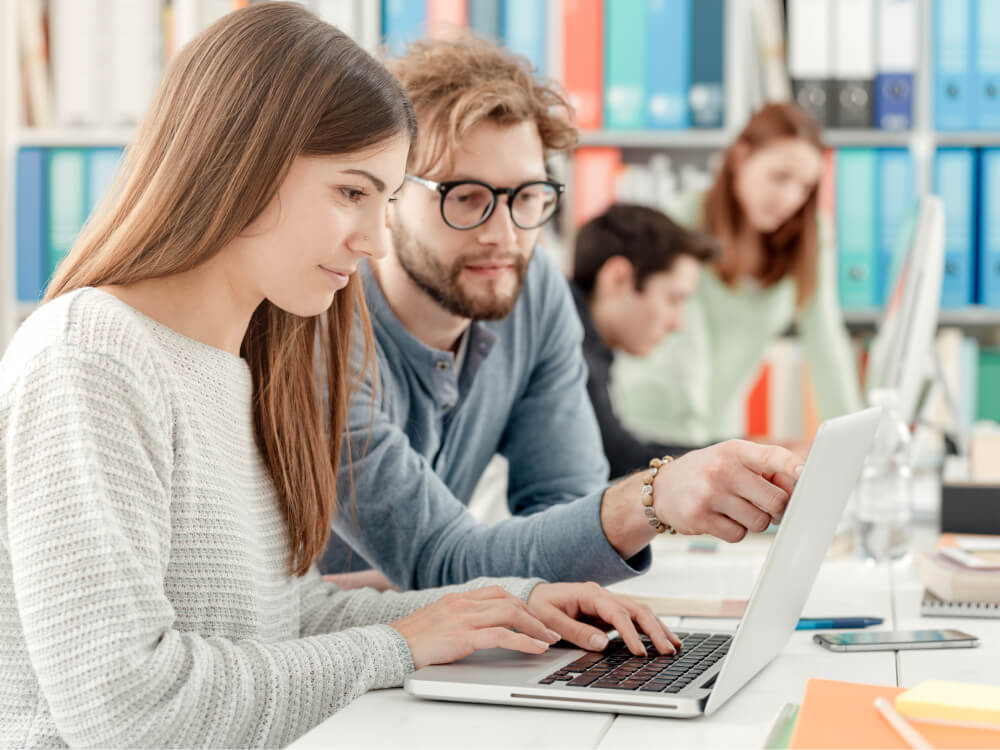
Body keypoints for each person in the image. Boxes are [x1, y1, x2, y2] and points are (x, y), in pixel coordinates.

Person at [0, 7, 680, 747]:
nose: (376, 239)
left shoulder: (244, 363)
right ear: (241, 166)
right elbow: (126, 709)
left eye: (385, 201)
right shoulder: (93, 356)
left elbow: (289, 617)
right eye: (352, 194)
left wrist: (514, 604)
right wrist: (399, 646)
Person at [322, 36, 804, 593]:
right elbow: (440, 560)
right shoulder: (325, 320)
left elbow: (566, 510)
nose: (502, 236)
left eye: (526, 197)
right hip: (329, 662)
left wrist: (561, 580)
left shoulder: (531, 288)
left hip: (443, 643)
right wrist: (654, 497)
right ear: (390, 194)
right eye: (464, 196)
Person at [613, 102, 864, 447]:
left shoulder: (811, 237)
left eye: (804, 187)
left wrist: (854, 444)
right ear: (740, 158)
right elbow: (682, 347)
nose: (789, 198)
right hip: (655, 423)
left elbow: (826, 339)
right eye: (779, 177)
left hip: (720, 428)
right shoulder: (683, 219)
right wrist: (698, 449)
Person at [569, 203, 717, 478]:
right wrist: (737, 454)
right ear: (618, 278)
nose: (677, 323)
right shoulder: (567, 348)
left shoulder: (587, 342)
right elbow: (617, 457)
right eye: (673, 299)